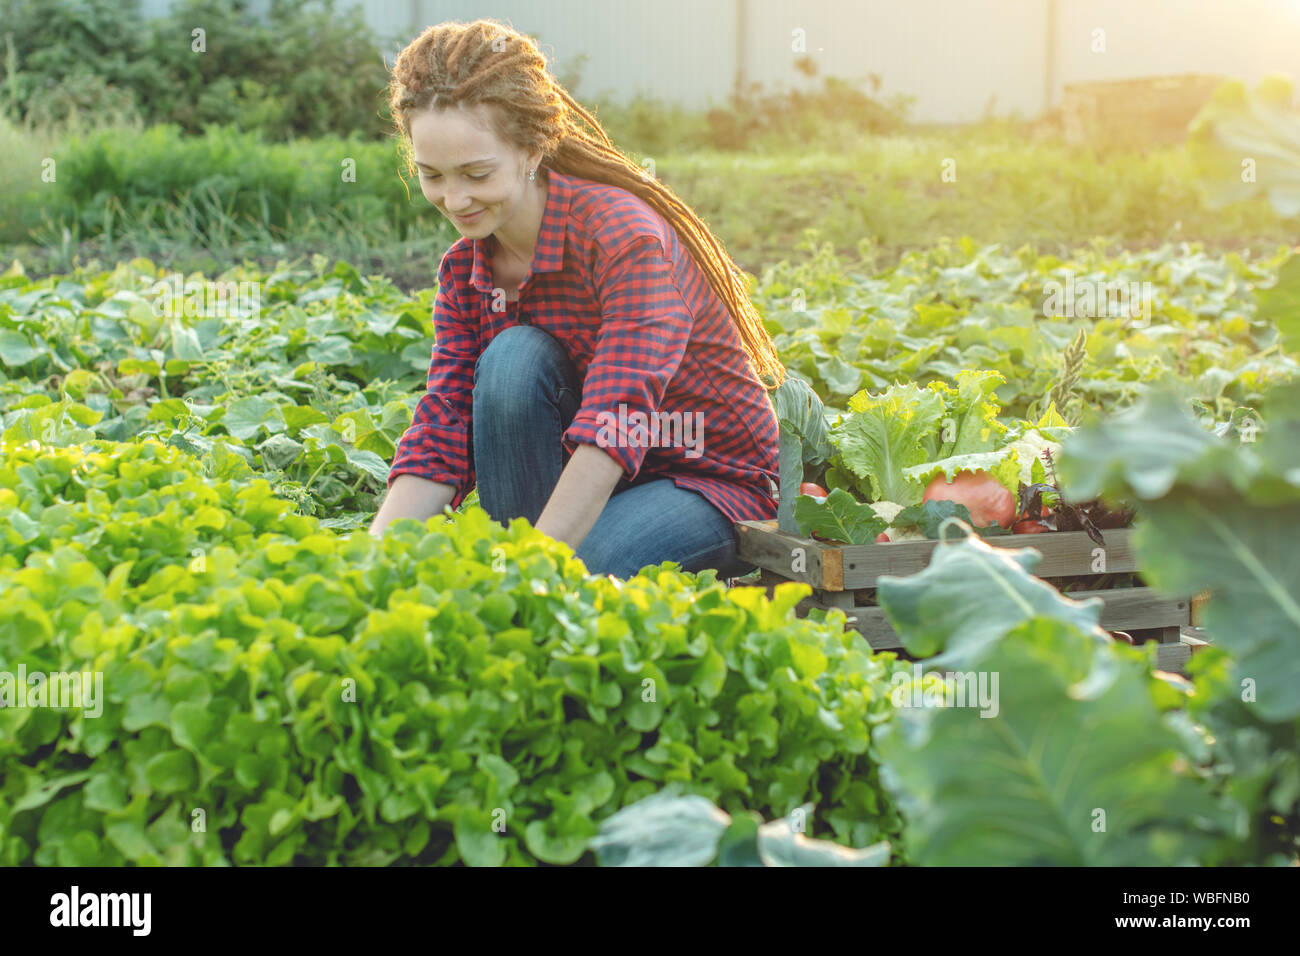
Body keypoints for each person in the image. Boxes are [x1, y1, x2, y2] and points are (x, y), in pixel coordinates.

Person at [369, 18, 784, 582]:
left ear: (533, 149)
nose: (454, 198)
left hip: (702, 477)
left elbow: (618, 421)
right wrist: (371, 561)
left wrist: (537, 571)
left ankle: (535, 576)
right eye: (432, 175)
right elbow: (444, 425)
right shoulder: (465, 272)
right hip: (578, 480)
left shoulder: (622, 238)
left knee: (576, 579)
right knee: (513, 357)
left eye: (476, 173)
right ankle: (527, 570)